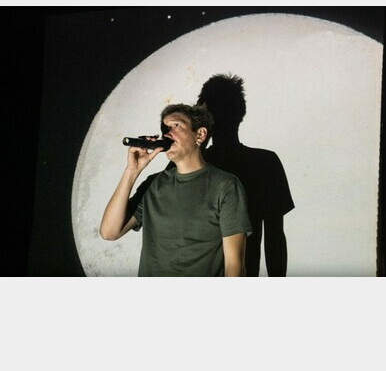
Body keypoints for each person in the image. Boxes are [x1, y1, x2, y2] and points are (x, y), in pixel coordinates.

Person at [100, 103, 252, 276]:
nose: (167, 133)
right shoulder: (153, 184)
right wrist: (132, 171)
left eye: (176, 125)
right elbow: (109, 232)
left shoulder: (225, 186)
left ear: (200, 135)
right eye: (165, 128)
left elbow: (234, 263)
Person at [197, 74, 295, 277]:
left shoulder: (193, 165)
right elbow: (275, 238)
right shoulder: (265, 162)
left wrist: (197, 141)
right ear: (240, 113)